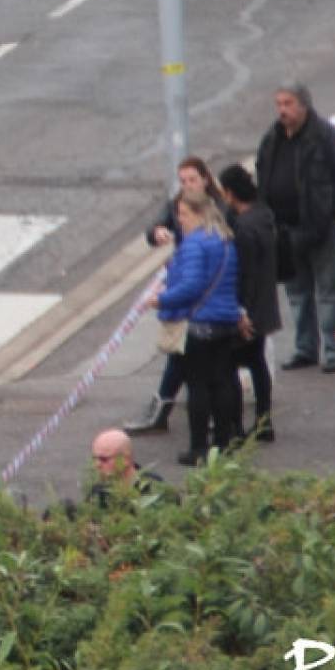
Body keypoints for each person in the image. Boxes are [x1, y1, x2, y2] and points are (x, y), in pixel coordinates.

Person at [255, 83, 335, 375]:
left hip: (320, 229)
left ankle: (334, 351)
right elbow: (262, 175)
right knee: (297, 293)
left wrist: (331, 216)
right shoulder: (272, 138)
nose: (282, 110)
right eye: (279, 104)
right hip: (285, 232)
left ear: (304, 105)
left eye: (288, 103)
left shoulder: (327, 137)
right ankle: (305, 348)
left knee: (328, 293)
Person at [124, 157, 225, 436]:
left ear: (205, 179)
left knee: (200, 364)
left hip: (203, 301)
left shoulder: (216, 214)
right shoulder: (179, 206)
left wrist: (163, 299)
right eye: (182, 181)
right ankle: (165, 410)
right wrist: (156, 231)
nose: (187, 186)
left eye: (192, 179)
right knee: (182, 356)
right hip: (191, 295)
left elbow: (197, 278)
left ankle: (203, 425)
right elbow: (157, 224)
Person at [143, 190, 243, 466]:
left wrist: (160, 298)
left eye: (184, 214)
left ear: (199, 214)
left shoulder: (194, 243)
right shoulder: (225, 240)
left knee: (198, 387)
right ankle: (224, 442)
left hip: (199, 323)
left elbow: (191, 286)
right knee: (222, 381)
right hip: (225, 321)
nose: (180, 220)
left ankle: (199, 447)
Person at [219, 164, 283, 442]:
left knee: (230, 365)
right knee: (257, 363)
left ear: (231, 192)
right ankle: (264, 419)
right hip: (265, 303)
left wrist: (239, 311)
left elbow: (243, 273)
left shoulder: (243, 228)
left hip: (248, 307)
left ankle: (235, 426)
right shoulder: (263, 216)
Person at [85, 427, 166, 508]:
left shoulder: (154, 486)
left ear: (126, 459)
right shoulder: (97, 493)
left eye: (104, 459)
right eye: (94, 459)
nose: (97, 464)